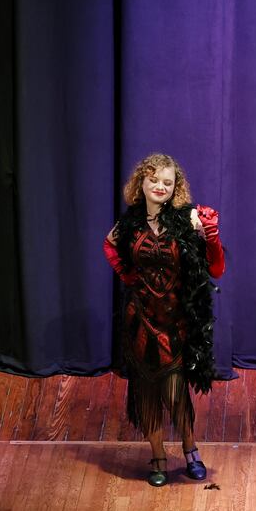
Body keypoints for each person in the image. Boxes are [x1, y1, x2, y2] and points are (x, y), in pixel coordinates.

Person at [102, 153, 226, 486]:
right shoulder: (130, 225)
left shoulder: (188, 220)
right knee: (146, 393)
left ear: (175, 188)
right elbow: (110, 246)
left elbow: (216, 268)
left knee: (174, 392)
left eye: (167, 182)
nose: (160, 186)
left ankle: (190, 449)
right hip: (140, 320)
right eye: (154, 180)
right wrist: (128, 277)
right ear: (141, 183)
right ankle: (157, 455)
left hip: (174, 322)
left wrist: (210, 235)